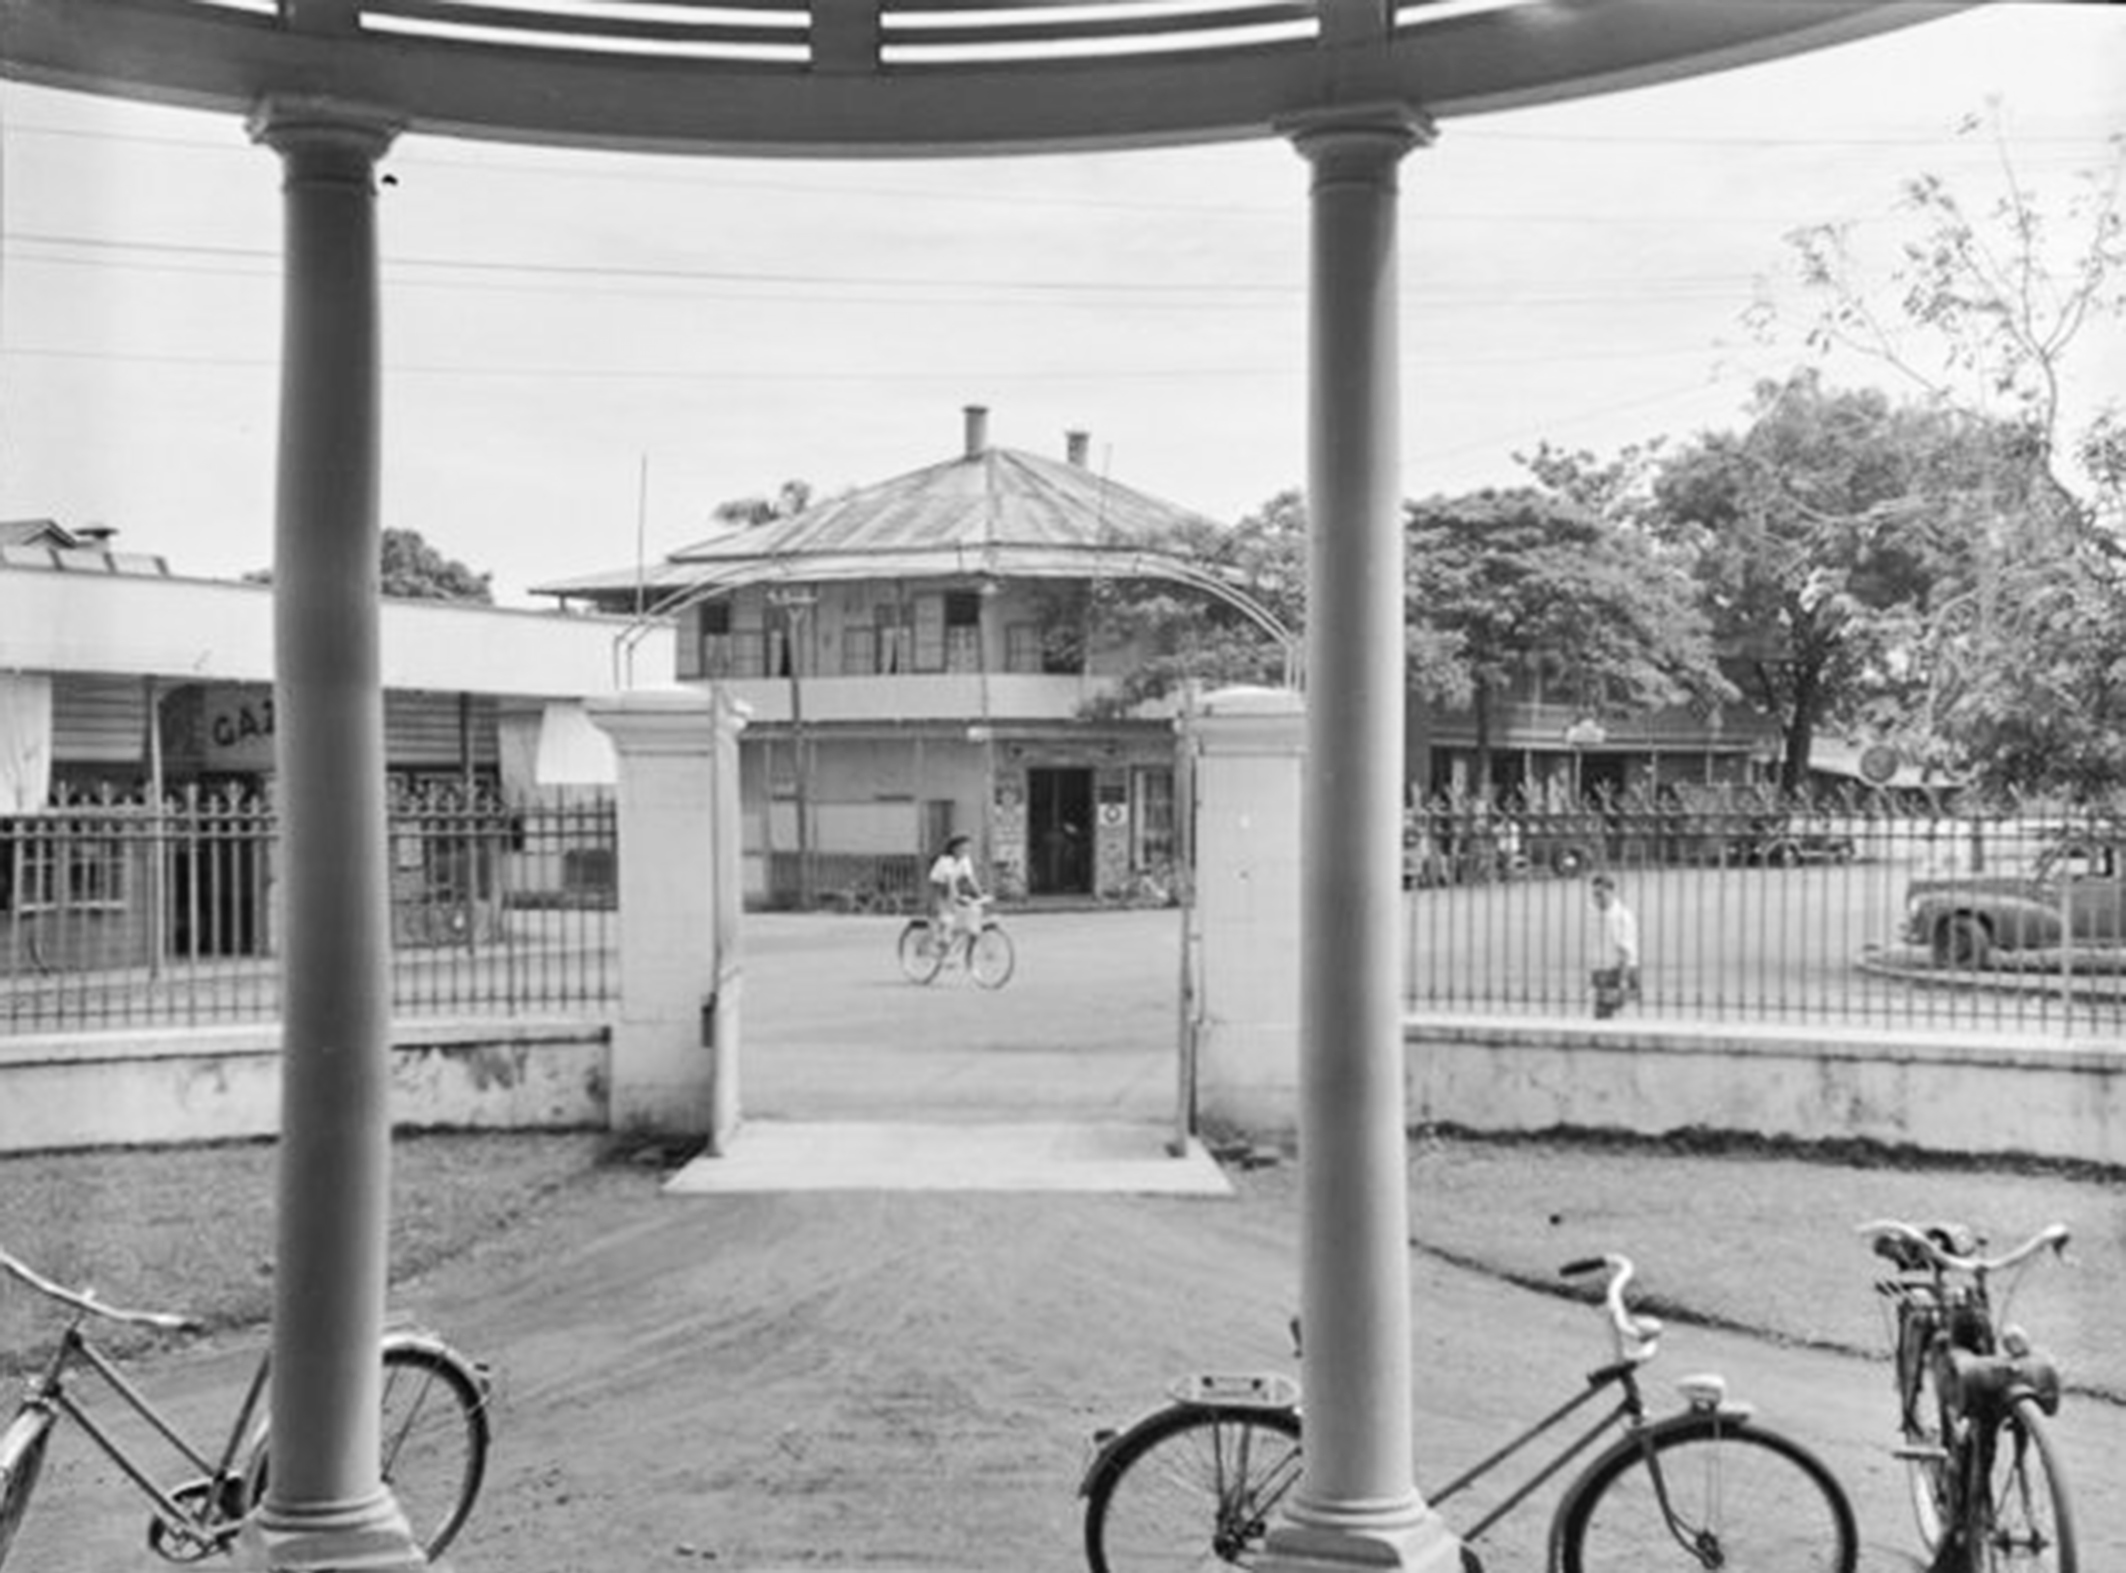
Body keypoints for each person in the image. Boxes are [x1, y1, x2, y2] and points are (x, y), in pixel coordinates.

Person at [1588, 871, 1641, 1018]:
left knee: (1604, 1014)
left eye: (1600, 894)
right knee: (1602, 1015)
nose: (1597, 898)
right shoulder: (1596, 913)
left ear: (1611, 892)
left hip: (1617, 972)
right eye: (1595, 894)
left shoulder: (1621, 917)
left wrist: (1623, 980)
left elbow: (1625, 951)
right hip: (1601, 971)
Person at [926, 833, 986, 954]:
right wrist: (956, 897)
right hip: (938, 890)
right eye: (963, 849)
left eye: (968, 849)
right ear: (954, 849)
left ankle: (949, 945)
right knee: (946, 919)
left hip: (951, 889)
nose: (966, 851)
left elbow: (971, 879)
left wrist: (981, 895)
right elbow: (950, 882)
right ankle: (938, 948)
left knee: (962, 917)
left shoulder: (965, 860)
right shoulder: (945, 861)